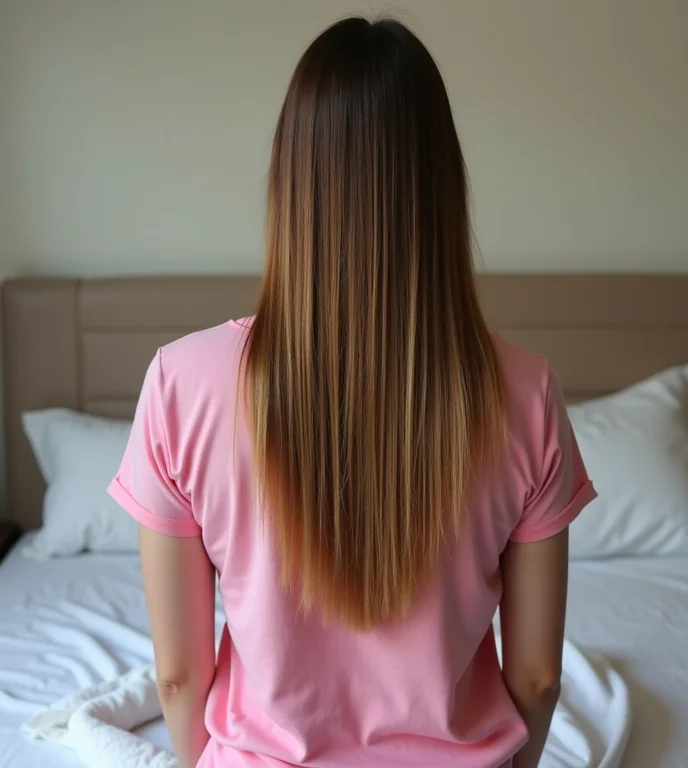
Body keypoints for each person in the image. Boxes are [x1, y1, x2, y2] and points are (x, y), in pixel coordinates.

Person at [108, 16, 596, 768]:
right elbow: (536, 676)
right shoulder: (527, 391)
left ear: (289, 181)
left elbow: (178, 676)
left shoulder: (180, 382)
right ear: (442, 186)